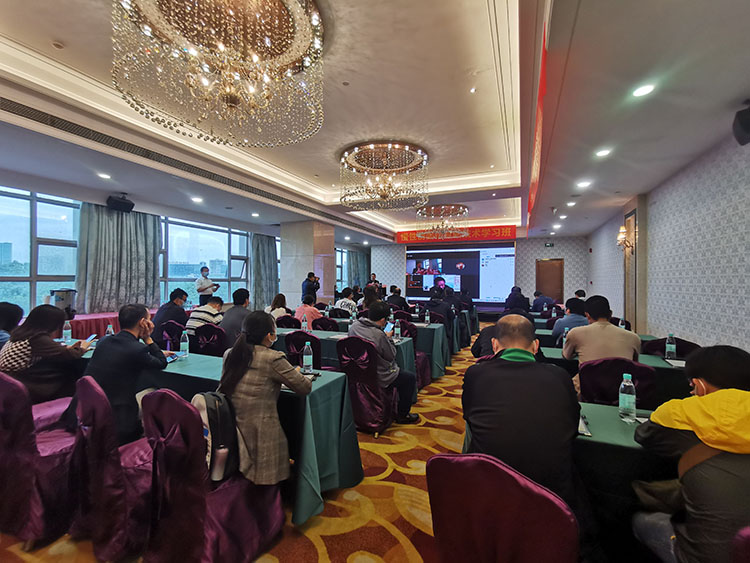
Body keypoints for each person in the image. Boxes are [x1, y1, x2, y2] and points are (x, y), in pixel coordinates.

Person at [633, 346, 750, 563]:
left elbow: (643, 435)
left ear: (699, 385)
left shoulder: (680, 412)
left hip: (705, 556)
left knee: (641, 520)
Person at [463, 315, 582, 516]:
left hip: (488, 483)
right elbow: (573, 423)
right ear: (535, 346)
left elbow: (469, 415)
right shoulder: (560, 376)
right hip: (552, 494)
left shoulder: (475, 373)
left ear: (494, 345)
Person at [218, 311, 312, 485]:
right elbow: (304, 387)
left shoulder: (230, 353)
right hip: (260, 431)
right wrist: (297, 373)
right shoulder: (273, 358)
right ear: (269, 335)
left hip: (231, 426)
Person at [84, 304, 169, 445]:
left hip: (88, 409)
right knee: (154, 391)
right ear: (143, 323)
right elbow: (161, 362)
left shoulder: (104, 341)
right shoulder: (138, 350)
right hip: (118, 417)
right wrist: (148, 339)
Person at [0, 304, 90, 403]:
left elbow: (54, 349)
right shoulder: (37, 338)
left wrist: (65, 349)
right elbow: (70, 354)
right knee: (72, 368)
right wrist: (83, 348)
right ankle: (77, 401)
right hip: (23, 382)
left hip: (7, 382)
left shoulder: (21, 332)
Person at [348, 300, 419, 424]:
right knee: (409, 378)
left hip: (357, 371)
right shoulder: (379, 335)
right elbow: (391, 356)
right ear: (382, 320)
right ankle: (402, 415)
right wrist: (388, 338)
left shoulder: (354, 326)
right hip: (379, 374)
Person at [562, 295, 640, 363]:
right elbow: (635, 363)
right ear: (610, 314)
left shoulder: (575, 333)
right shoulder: (634, 338)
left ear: (587, 315)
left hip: (588, 376)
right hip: (621, 376)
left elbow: (566, 356)